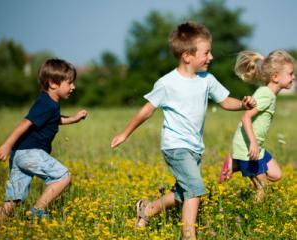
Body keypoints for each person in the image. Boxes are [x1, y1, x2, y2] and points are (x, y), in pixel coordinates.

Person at [111, 21, 256, 240]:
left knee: (183, 194)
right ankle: (188, 235)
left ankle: (147, 209)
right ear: (187, 56)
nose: (211, 57)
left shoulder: (207, 80)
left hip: (195, 148)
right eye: (206, 53)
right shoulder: (167, 83)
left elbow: (225, 101)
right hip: (175, 146)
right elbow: (146, 111)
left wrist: (242, 104)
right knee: (196, 189)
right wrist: (124, 133)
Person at [0, 58, 88, 221]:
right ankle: (37, 211)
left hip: (19, 154)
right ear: (53, 83)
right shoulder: (46, 104)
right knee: (63, 176)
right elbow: (25, 123)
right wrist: (7, 144)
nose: (73, 87)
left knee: (13, 200)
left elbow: (53, 119)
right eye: (70, 83)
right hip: (30, 152)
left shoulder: (49, 103)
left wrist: (73, 119)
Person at [219, 50, 295, 201]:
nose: (293, 77)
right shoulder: (265, 95)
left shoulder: (270, 95)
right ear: (275, 77)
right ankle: (254, 218)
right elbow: (246, 116)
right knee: (262, 188)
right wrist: (253, 143)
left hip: (256, 146)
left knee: (276, 174)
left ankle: (234, 164)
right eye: (290, 73)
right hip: (249, 147)